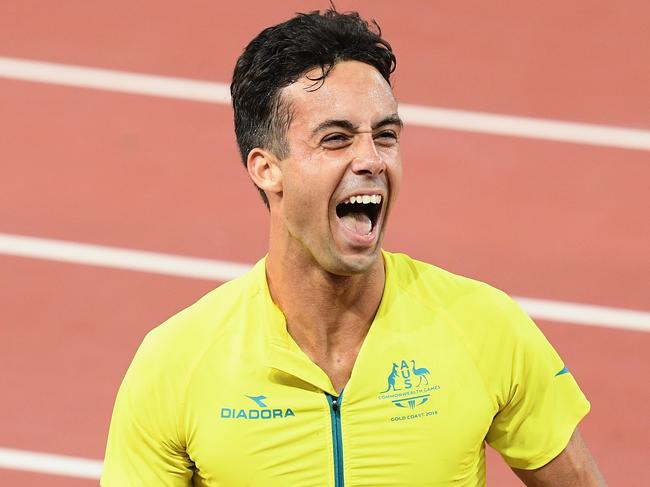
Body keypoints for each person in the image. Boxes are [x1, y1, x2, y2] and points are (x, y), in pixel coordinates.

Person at [101, 8, 607, 486]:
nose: (372, 159)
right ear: (266, 168)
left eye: (385, 136)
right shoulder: (176, 363)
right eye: (337, 139)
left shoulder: (484, 326)